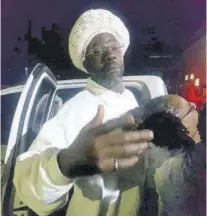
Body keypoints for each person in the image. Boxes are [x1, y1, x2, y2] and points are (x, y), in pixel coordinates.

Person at [13, 9, 153, 216]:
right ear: (85, 63)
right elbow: (26, 178)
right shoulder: (77, 108)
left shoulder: (130, 97)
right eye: (97, 51)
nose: (110, 55)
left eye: (114, 46)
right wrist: (66, 163)